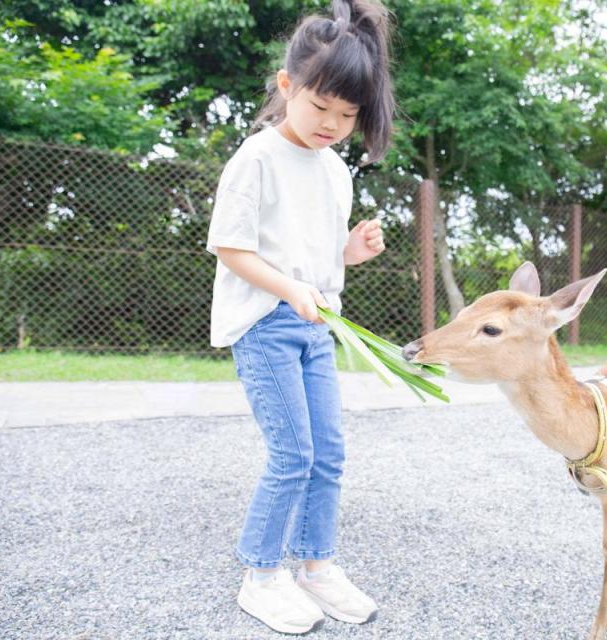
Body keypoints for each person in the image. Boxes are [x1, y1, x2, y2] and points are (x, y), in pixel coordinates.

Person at [204, 0, 395, 633]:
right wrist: (288, 289)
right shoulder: (256, 157)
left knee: (329, 454)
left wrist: (350, 252)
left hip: (316, 327)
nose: (332, 124)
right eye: (320, 107)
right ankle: (260, 574)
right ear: (288, 86)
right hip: (265, 326)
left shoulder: (336, 171)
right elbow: (230, 247)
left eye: (347, 115)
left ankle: (317, 567)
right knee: (292, 454)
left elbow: (312, 260)